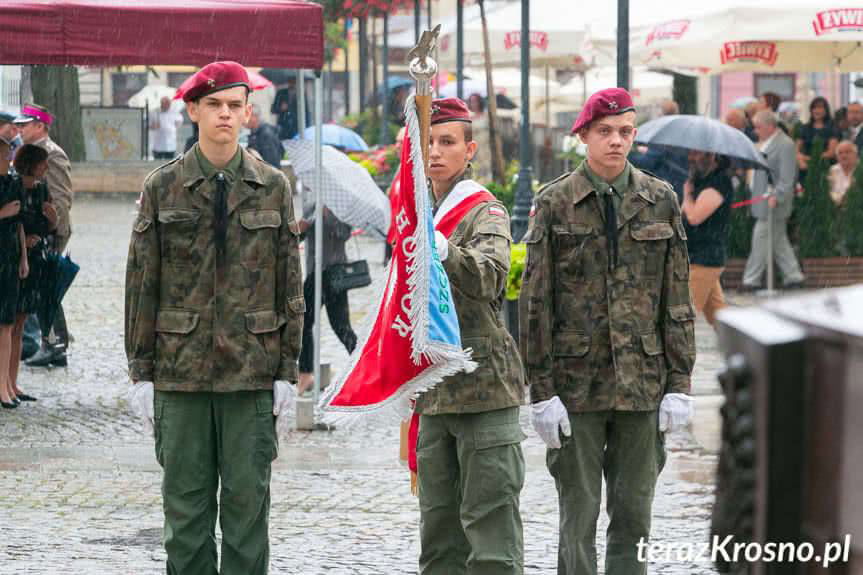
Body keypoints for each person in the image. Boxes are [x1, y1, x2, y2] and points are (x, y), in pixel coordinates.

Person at [125, 61, 304, 574]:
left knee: (249, 514)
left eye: (234, 106)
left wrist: (287, 370)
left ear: (248, 114)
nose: (225, 115)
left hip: (251, 371)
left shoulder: (272, 186)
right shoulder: (164, 187)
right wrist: (141, 371)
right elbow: (142, 284)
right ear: (193, 111)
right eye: (214, 105)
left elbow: (289, 284)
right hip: (179, 374)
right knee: (185, 515)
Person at [519, 87, 696, 574]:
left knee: (635, 514)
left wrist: (681, 383)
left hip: (644, 382)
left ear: (634, 135)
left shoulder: (660, 199)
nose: (615, 141)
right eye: (604, 132)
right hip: (576, 385)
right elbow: (536, 302)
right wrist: (541, 390)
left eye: (624, 132)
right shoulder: (555, 202)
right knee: (578, 517)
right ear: (583, 137)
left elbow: (676, 297)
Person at [415, 98, 526, 574]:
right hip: (434, 391)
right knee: (439, 538)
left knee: (491, 534)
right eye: (429, 142)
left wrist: (443, 249)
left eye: (447, 142)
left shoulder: (485, 211)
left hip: (483, 390)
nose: (436, 152)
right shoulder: (415, 210)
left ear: (469, 150)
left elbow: (491, 277)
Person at [14, 104, 73, 367]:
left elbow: (60, 198)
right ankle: (54, 343)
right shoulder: (32, 152)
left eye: (25, 124)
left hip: (48, 232)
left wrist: (50, 231)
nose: (20, 129)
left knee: (47, 288)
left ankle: (54, 344)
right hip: (38, 230)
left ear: (40, 126)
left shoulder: (52, 155)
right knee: (44, 289)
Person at [10, 144, 58, 406]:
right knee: (9, 325)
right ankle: (5, 383)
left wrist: (53, 221)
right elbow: (13, 224)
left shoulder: (42, 189)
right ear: (30, 163)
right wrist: (22, 242)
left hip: (35, 261)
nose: (46, 168)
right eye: (42, 163)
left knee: (19, 325)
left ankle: (13, 383)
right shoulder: (14, 186)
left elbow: (49, 226)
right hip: (14, 261)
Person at [295, 206, 358, 396]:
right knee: (303, 322)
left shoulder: (343, 208)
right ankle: (306, 373)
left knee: (341, 326)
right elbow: (297, 239)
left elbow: (343, 234)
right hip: (315, 274)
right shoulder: (311, 208)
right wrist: (301, 228)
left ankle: (362, 366)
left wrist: (329, 217)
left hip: (335, 273)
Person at [742, 110, 806, 290]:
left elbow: (787, 177)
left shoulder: (785, 144)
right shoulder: (765, 142)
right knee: (778, 241)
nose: (756, 130)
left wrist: (777, 196)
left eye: (758, 126)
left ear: (770, 126)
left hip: (773, 202)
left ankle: (750, 280)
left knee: (759, 238)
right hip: (762, 199)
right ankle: (794, 277)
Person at [681, 151, 733, 327]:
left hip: (705, 258)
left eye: (696, 154)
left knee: (683, 315)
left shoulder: (718, 182)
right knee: (719, 315)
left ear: (711, 156)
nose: (690, 158)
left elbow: (695, 217)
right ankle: (743, 350)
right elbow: (685, 214)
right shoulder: (700, 182)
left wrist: (687, 194)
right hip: (696, 255)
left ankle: (675, 354)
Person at [0, 138, 27, 408]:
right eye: (5, 154)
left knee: (7, 324)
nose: (9, 159)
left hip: (8, 258)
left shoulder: (13, 183)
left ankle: (5, 384)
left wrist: (24, 257)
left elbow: (19, 223)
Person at [629, 99, 688, 203]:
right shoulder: (681, 131)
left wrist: (628, 154)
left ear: (661, 113)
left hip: (666, 187)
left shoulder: (663, 135)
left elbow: (647, 162)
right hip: (682, 184)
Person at [795, 96, 840, 182]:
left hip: (825, 168)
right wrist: (800, 159)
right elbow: (796, 150)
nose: (816, 110)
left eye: (820, 107)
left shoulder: (832, 128)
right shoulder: (805, 128)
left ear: (826, 110)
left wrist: (810, 159)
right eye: (814, 107)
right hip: (806, 169)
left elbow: (831, 153)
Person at [246, 104, 284, 168]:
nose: (243, 120)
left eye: (246, 116)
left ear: (254, 117)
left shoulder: (266, 135)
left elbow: (272, 163)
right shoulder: (255, 134)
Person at [828, 140, 858, 207]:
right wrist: (840, 200)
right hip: (836, 208)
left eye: (847, 152)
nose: (844, 156)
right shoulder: (833, 170)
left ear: (855, 154)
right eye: (840, 153)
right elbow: (828, 191)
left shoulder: (860, 170)